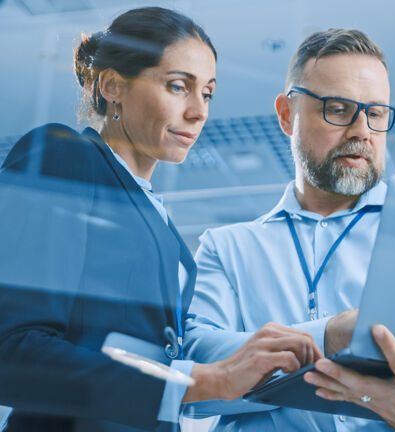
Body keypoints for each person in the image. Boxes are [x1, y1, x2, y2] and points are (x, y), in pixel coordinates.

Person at [185, 28, 395, 431]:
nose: (362, 130)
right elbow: (191, 376)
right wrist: (327, 337)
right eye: (338, 108)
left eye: (376, 113)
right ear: (286, 115)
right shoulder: (228, 249)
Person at [0, 7, 321, 432]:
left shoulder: (161, 222)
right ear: (112, 85)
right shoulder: (64, 156)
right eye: (177, 87)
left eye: (207, 93)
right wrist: (200, 379)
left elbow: (144, 364)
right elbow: (12, 351)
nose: (198, 111)